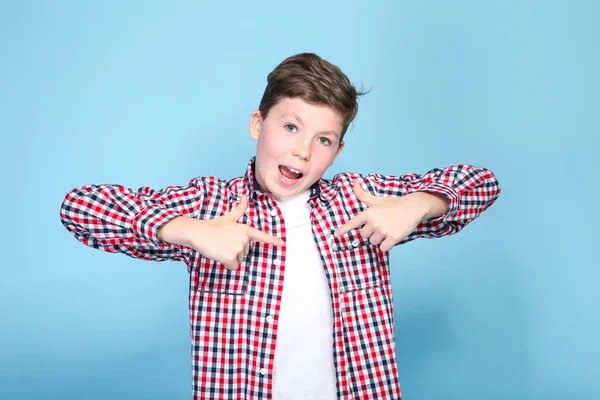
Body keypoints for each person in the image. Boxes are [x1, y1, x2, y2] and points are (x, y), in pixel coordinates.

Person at [60, 52, 501, 400]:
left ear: (338, 151)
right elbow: (80, 208)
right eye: (290, 127)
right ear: (258, 124)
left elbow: (482, 182)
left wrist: (419, 204)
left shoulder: (359, 200)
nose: (303, 151)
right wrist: (189, 230)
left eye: (322, 140)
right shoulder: (211, 204)